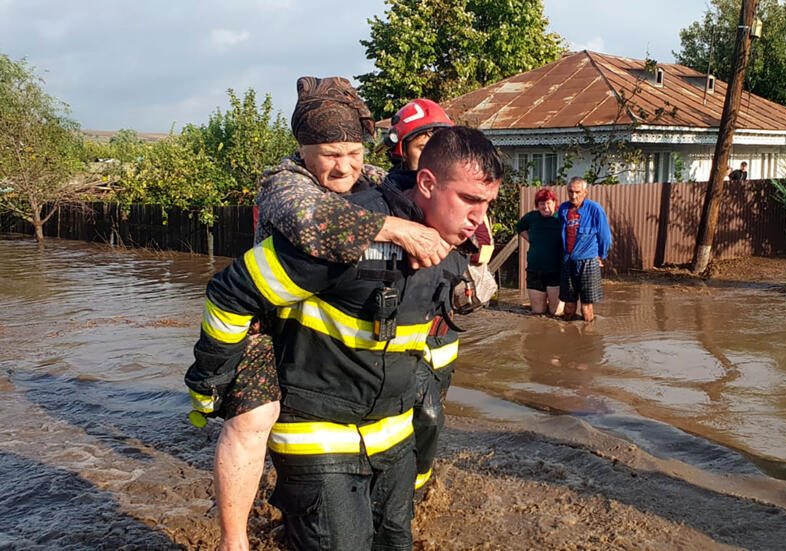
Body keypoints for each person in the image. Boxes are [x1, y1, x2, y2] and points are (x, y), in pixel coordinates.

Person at [186, 126, 504, 550]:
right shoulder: (345, 234)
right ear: (427, 183)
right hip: (318, 436)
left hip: (391, 436)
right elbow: (230, 292)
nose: (479, 219)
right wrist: (212, 379)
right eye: (470, 200)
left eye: (487, 204)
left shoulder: (450, 240)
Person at [384, 98, 495, 498]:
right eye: (420, 141)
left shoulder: (465, 200)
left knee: (429, 415)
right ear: (402, 150)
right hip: (395, 330)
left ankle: (418, 482)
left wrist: (476, 278)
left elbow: (481, 248)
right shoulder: (384, 197)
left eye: (438, 138)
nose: (430, 146)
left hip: (439, 333)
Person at [557, 177, 611, 323]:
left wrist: (600, 257)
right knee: (568, 305)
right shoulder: (563, 209)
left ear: (585, 192)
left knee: (586, 306)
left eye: (577, 192)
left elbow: (605, 237)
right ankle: (568, 336)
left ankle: (588, 339)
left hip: (588, 261)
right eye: (570, 192)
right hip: (568, 261)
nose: (573, 196)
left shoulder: (595, 209)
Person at [515, 188, 564, 315]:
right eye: (542, 203)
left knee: (556, 312)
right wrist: (531, 239)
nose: (545, 206)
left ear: (554, 203)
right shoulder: (531, 217)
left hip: (556, 271)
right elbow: (519, 227)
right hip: (535, 270)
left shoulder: (561, 218)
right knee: (538, 312)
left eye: (548, 202)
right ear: (537, 205)